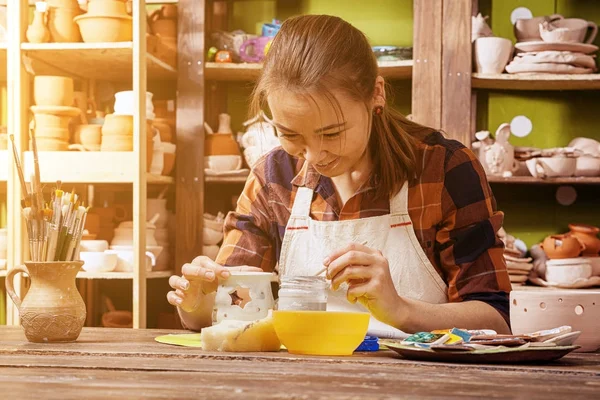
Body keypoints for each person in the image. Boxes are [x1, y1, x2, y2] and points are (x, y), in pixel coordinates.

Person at [167, 14, 512, 335]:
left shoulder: (444, 168)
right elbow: (226, 305)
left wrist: (400, 309)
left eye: (331, 133)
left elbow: (495, 320)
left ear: (376, 93)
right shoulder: (273, 176)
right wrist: (197, 299)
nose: (315, 157)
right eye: (291, 135)